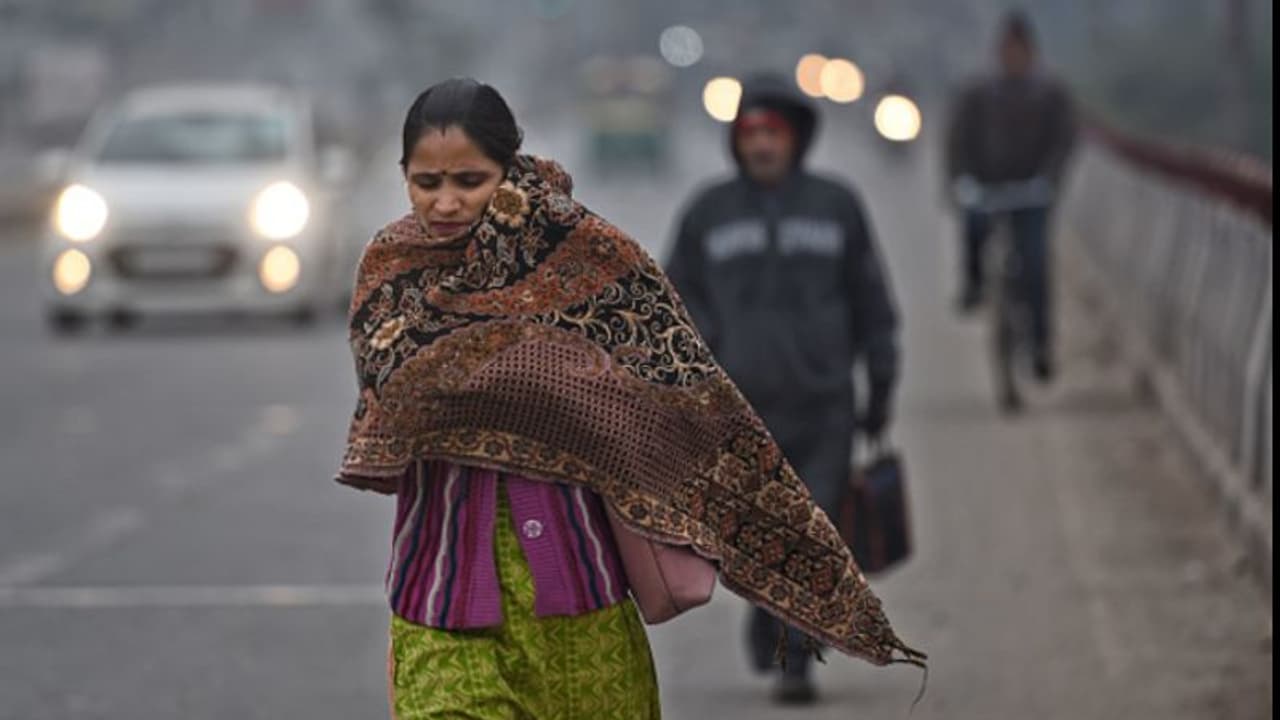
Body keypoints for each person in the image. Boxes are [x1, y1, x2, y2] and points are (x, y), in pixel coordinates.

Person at [336, 78, 922, 719]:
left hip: (578, 588)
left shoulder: (585, 255)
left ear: (509, 171)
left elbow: (657, 363)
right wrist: (531, 377)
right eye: (426, 183)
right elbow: (396, 391)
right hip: (441, 589)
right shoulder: (392, 268)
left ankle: (791, 643)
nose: (445, 202)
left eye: (469, 181)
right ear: (404, 177)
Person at [664, 73, 902, 705]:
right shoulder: (708, 213)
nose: (762, 145)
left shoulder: (836, 206)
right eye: (750, 134)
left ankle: (797, 658)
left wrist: (881, 386)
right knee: (753, 532)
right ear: (735, 141)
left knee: (812, 530)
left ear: (796, 139)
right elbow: (673, 305)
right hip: (738, 411)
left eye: (773, 133)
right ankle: (766, 615)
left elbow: (872, 304)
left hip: (824, 403)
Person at [945, 10, 1076, 380]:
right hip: (987, 189)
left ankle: (1040, 345)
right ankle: (972, 285)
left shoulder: (1051, 93)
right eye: (1007, 49)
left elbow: (1065, 140)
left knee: (1035, 264)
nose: (1012, 56)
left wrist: (1050, 180)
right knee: (971, 225)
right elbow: (956, 142)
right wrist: (961, 181)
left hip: (1032, 193)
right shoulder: (977, 93)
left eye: (1019, 49)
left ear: (1030, 51)